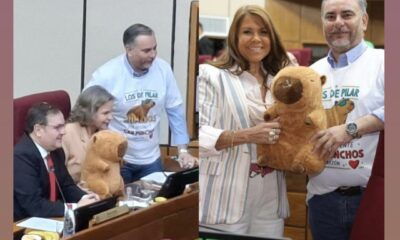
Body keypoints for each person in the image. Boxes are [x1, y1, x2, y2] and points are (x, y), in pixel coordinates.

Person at [198, 5, 297, 237]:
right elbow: (198, 136)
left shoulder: (280, 81)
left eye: (263, 32)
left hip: (271, 194)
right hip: (225, 194)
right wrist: (248, 135)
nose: (256, 39)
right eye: (247, 32)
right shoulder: (212, 76)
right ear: (234, 36)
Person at [307, 0, 384, 239]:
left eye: (347, 14)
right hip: (323, 201)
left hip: (375, 198)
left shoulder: (384, 62)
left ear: (364, 20)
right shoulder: (312, 73)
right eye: (330, 16)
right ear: (323, 23)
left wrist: (350, 129)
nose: (338, 22)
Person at [85, 23, 198, 184]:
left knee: (156, 205)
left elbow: (175, 111)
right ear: (129, 50)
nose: (153, 55)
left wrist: (183, 150)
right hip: (117, 160)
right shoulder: (107, 74)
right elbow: (84, 110)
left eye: (154, 48)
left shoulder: (163, 70)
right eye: (146, 50)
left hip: (151, 160)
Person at [14, 102, 99, 221]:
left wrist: (87, 198)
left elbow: (66, 185)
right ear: (38, 130)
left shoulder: (55, 150)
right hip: (24, 224)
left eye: (63, 126)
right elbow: (33, 205)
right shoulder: (20, 157)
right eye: (57, 127)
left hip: (52, 216)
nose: (63, 131)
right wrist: (75, 207)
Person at [62, 85, 115, 184]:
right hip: (74, 193)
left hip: (98, 191)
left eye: (111, 112)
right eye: (105, 113)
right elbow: (58, 176)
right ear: (90, 112)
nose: (110, 117)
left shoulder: (105, 134)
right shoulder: (67, 133)